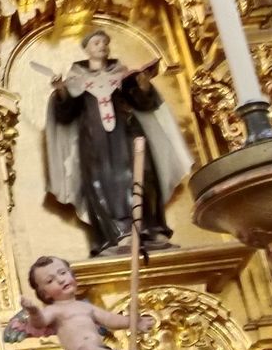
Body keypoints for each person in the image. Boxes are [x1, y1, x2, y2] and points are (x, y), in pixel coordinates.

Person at [43, 29, 191, 256]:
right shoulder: (77, 80)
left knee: (143, 175)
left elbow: (144, 103)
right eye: (96, 42)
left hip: (128, 134)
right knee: (103, 182)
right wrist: (61, 91)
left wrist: (143, 84)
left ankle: (150, 228)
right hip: (95, 142)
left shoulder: (122, 75)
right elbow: (65, 113)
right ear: (87, 48)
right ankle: (119, 232)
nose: (101, 46)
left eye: (104, 42)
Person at [11, 256, 153, 350]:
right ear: (44, 293)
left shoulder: (85, 307)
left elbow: (110, 320)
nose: (60, 280)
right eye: (50, 280)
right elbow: (39, 322)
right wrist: (33, 311)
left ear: (72, 275)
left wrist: (134, 322)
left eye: (63, 273)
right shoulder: (54, 310)